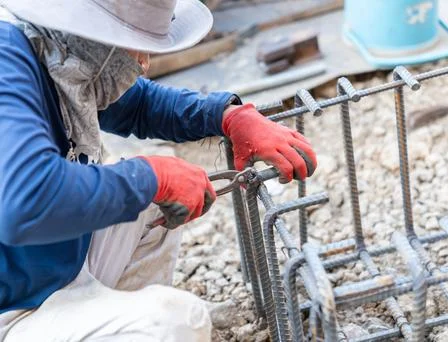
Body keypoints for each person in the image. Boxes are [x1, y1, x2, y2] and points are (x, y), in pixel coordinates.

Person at [0, 0, 317, 340]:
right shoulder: (8, 67)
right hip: (11, 306)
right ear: (94, 34)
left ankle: (108, 318)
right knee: (179, 322)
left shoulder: (57, 49)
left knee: (151, 202)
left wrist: (225, 116)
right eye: (138, 47)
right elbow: (25, 201)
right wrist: (152, 176)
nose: (144, 65)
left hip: (40, 270)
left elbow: (139, 105)